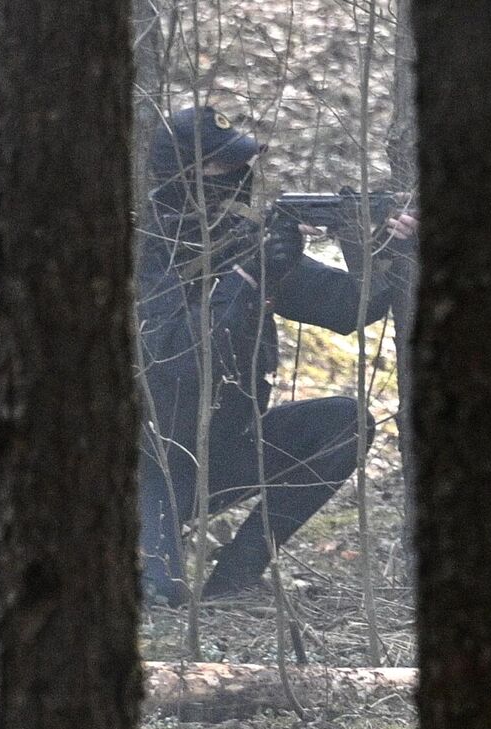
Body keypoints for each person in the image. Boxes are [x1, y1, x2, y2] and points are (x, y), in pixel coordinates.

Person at [136, 106, 411, 604]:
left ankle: (234, 580)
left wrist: (383, 242)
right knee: (161, 598)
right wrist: (247, 280)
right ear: (185, 175)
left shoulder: (243, 242)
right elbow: (179, 360)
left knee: (344, 421)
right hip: (144, 468)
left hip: (217, 456)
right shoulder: (145, 252)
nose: (242, 178)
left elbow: (350, 306)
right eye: (225, 168)